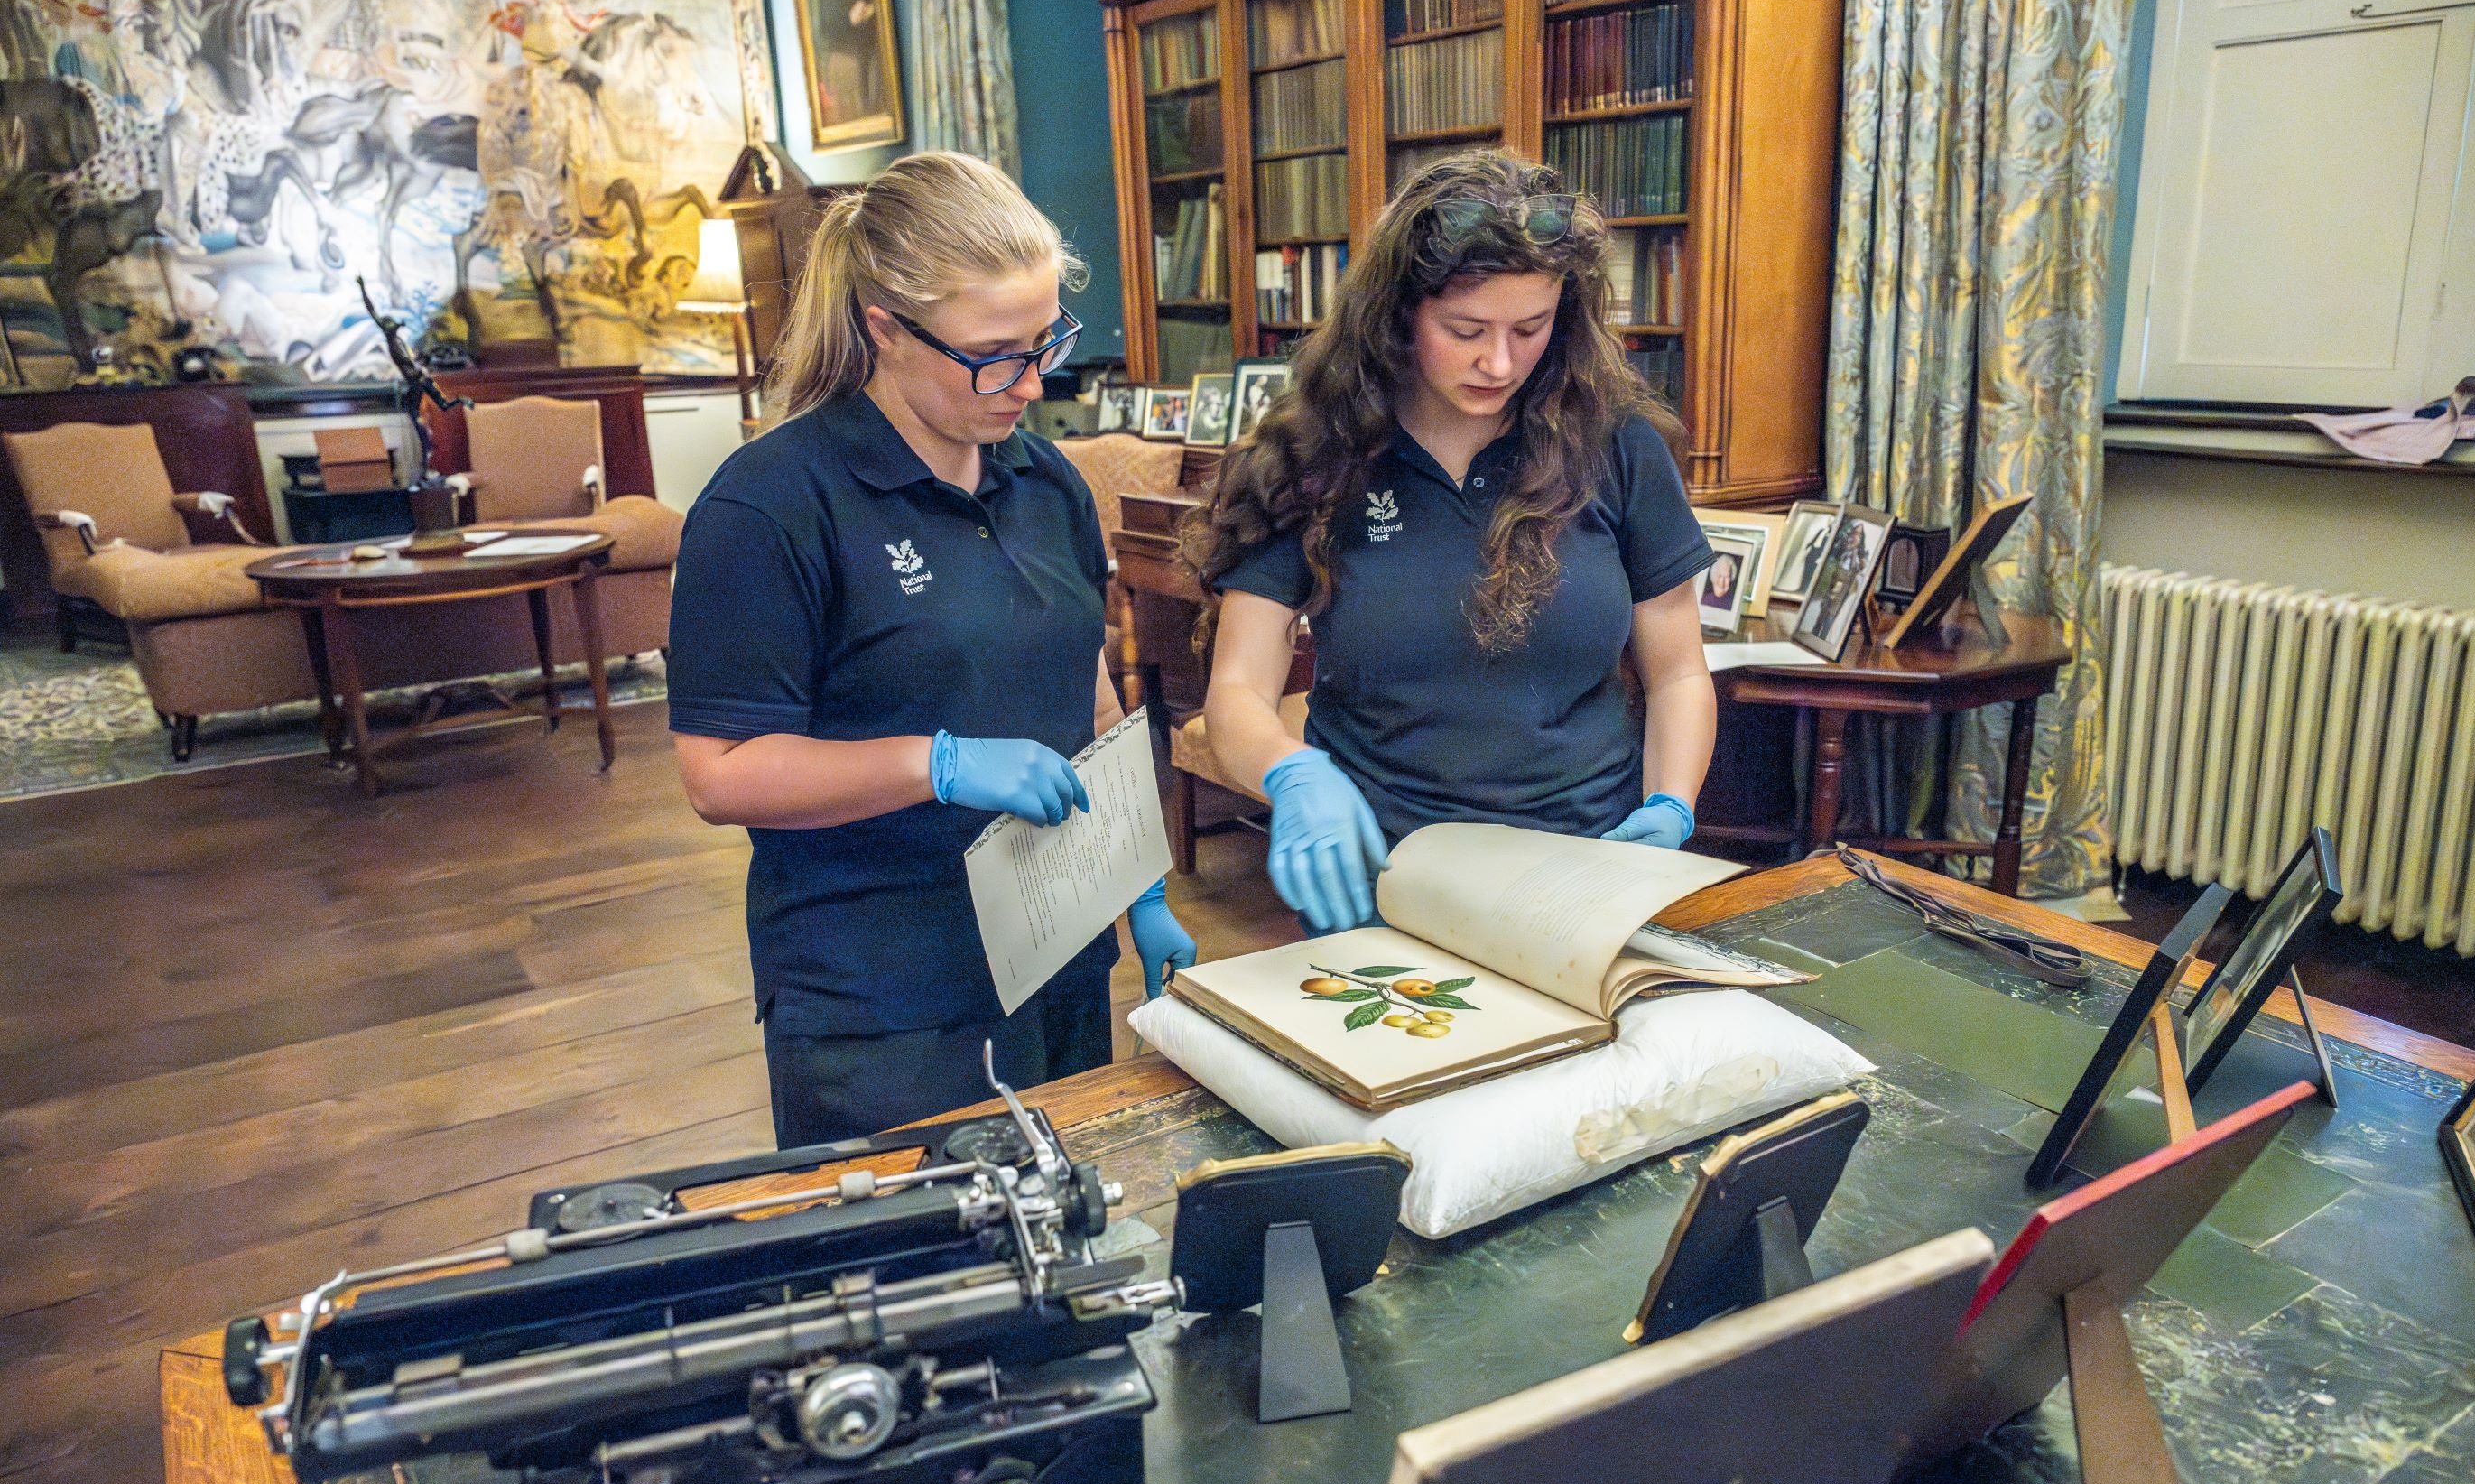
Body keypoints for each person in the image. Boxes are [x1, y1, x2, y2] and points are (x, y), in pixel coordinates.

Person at [665, 151, 1197, 1145]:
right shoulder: (769, 507)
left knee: (1058, 1244)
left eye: (1046, 341)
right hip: (884, 992)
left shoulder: (1048, 487)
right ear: (884, 331)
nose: (1032, 383)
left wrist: (1144, 888)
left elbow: (1088, 700)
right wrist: (936, 765)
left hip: (1057, 950)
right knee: (918, 1274)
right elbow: (721, 774)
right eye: (997, 353)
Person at [1185, 150, 1718, 934]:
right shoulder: (1315, 454)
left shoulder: (1618, 444)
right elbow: (1235, 692)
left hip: (1587, 867)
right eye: (1464, 329)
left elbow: (1676, 671)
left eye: (1529, 328)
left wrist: (1671, 803)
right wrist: (1291, 772)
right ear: (1398, 312)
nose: (1498, 362)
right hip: (1389, 874)